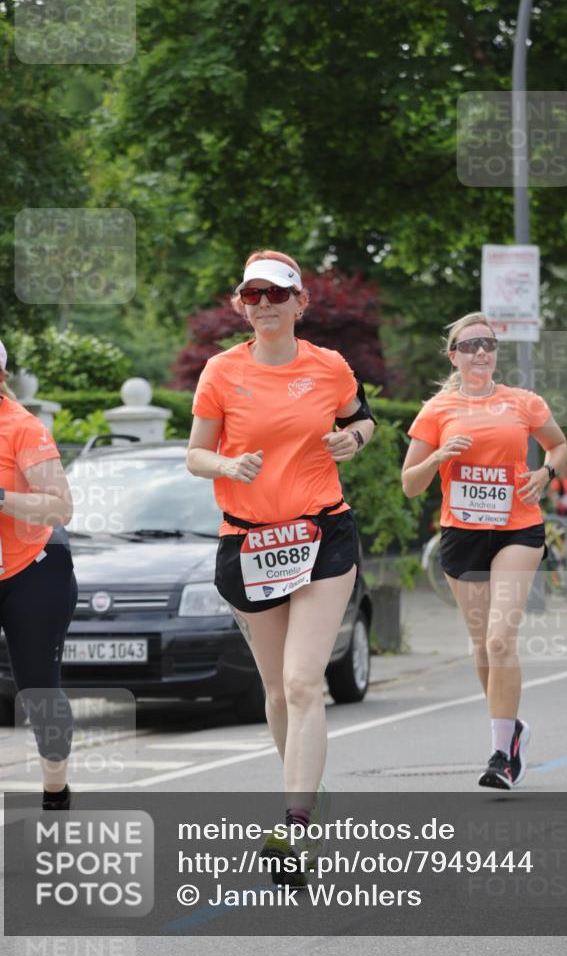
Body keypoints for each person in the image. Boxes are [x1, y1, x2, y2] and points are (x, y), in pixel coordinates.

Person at [187, 250, 375, 882]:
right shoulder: (220, 371)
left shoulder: (329, 367)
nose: (264, 303)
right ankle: (309, 799)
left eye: (277, 294)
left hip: (322, 534)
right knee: (274, 690)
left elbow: (363, 420)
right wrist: (225, 465)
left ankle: (294, 825)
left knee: (302, 682)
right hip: (249, 542)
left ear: (300, 303)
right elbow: (195, 454)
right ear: (242, 304)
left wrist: (355, 440)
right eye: (252, 294)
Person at [402, 313, 567, 790]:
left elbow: (557, 446)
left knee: (499, 640)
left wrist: (546, 473)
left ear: (495, 354)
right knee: (481, 647)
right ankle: (510, 729)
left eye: (488, 344)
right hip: (462, 534)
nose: (481, 352)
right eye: (470, 344)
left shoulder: (523, 402)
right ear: (453, 355)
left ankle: (501, 755)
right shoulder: (436, 410)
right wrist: (438, 456)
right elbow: (410, 485)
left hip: (518, 528)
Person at [0, 331, 77, 873]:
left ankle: (56, 791)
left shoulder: (22, 429)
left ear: (0, 376)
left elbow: (59, 507)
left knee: (39, 691)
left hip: (31, 572)